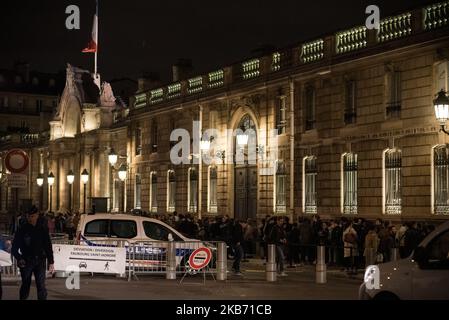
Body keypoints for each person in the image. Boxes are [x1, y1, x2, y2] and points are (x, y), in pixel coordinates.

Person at [11, 206, 54, 300]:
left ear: (37, 215)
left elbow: (48, 246)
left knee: (41, 286)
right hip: (26, 261)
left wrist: (51, 262)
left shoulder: (42, 229)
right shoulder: (22, 229)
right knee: (26, 285)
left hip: (40, 261)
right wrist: (19, 258)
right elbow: (14, 248)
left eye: (32, 216)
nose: (30, 218)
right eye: (28, 216)